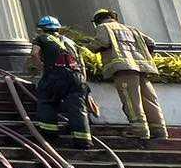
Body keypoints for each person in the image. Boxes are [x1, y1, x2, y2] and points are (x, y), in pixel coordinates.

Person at [93, 8, 168, 143]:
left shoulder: (103, 27)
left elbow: (102, 43)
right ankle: (159, 130)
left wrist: (86, 46)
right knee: (149, 100)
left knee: (131, 100)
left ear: (98, 20)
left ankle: (139, 130)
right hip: (142, 68)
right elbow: (151, 42)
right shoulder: (132, 29)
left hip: (124, 69)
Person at [29, 15, 94, 149]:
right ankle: (83, 141)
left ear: (41, 29)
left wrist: (43, 68)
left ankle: (49, 135)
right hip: (77, 76)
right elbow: (81, 62)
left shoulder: (41, 39)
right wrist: (83, 81)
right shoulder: (70, 41)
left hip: (55, 75)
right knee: (78, 108)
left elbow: (34, 54)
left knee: (47, 101)